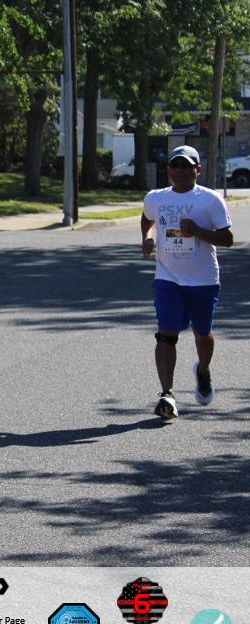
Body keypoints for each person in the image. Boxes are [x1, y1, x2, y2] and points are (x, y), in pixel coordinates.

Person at [140, 145, 234, 420]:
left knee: (202, 333)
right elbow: (147, 218)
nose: (180, 171)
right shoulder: (155, 197)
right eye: (175, 166)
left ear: (198, 170)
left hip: (203, 280)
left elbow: (227, 239)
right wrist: (148, 238)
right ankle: (167, 394)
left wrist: (198, 231)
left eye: (186, 166)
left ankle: (202, 371)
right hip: (167, 278)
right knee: (166, 334)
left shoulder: (210, 200)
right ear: (169, 169)